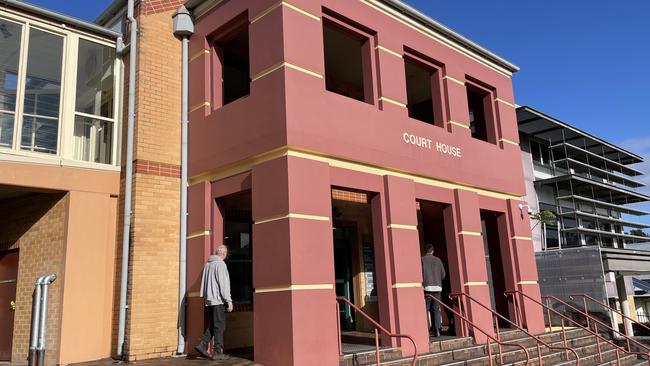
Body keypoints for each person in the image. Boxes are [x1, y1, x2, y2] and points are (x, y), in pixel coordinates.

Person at [194, 245, 233, 360]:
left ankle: (202, 345)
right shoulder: (221, 265)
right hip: (218, 300)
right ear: (224, 254)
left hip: (209, 300)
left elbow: (203, 282)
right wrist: (228, 301)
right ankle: (217, 352)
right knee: (220, 326)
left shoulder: (207, 265)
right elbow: (224, 285)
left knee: (214, 325)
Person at [422, 243, 446, 337]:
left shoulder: (422, 259)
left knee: (426, 308)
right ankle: (437, 330)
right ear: (433, 251)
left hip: (427, 287)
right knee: (436, 308)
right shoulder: (438, 260)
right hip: (437, 287)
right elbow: (443, 275)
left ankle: (425, 330)